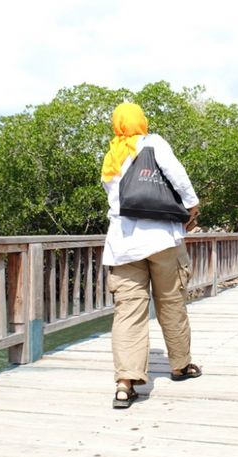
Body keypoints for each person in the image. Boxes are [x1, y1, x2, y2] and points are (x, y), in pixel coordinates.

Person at [101, 102, 202, 409]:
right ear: (141, 122)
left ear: (117, 125)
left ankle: (125, 383)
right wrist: (192, 205)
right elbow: (177, 174)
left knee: (129, 311)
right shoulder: (153, 142)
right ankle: (179, 365)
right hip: (162, 240)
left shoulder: (111, 156)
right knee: (171, 302)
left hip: (123, 245)